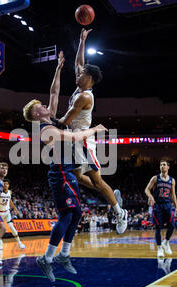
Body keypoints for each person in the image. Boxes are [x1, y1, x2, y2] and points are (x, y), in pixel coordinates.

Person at [23, 51, 107, 282]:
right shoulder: (45, 128)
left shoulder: (49, 117)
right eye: (38, 107)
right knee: (66, 216)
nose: (44, 106)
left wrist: (58, 69)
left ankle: (64, 255)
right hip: (58, 173)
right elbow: (69, 138)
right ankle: (47, 258)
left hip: (67, 171)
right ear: (34, 114)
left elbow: (54, 91)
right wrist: (94, 130)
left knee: (77, 213)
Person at [57, 28, 127, 234]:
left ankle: (119, 211)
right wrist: (82, 40)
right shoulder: (81, 85)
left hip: (83, 140)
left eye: (82, 74)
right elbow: (79, 62)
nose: (77, 75)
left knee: (97, 180)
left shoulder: (84, 97)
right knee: (78, 176)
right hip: (74, 138)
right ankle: (110, 195)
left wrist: (45, 121)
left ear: (90, 79)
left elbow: (64, 121)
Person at [145, 160, 177, 258]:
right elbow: (146, 189)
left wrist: (176, 207)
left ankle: (166, 242)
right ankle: (159, 249)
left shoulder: (172, 180)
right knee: (158, 227)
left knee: (172, 225)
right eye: (160, 165)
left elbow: (173, 194)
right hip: (157, 205)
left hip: (168, 205)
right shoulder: (155, 178)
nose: (162, 166)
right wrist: (150, 196)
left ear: (168, 167)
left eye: (164, 165)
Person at [0, 179, 25, 250]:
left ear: (8, 185)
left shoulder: (10, 192)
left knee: (12, 228)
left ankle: (19, 243)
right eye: (4, 184)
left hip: (7, 212)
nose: (5, 185)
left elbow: (10, 201)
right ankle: (0, 244)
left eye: (7, 184)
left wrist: (15, 209)